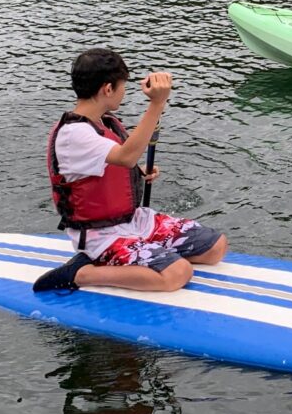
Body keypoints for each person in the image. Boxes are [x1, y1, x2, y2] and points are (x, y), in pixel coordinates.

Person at [34, 48, 228, 293]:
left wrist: (138, 172)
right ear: (107, 89)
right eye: (122, 86)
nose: (123, 93)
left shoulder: (104, 122)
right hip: (102, 237)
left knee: (214, 248)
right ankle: (82, 273)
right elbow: (126, 156)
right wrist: (158, 103)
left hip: (134, 222)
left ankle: (145, 254)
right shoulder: (74, 134)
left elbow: (117, 164)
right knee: (176, 273)